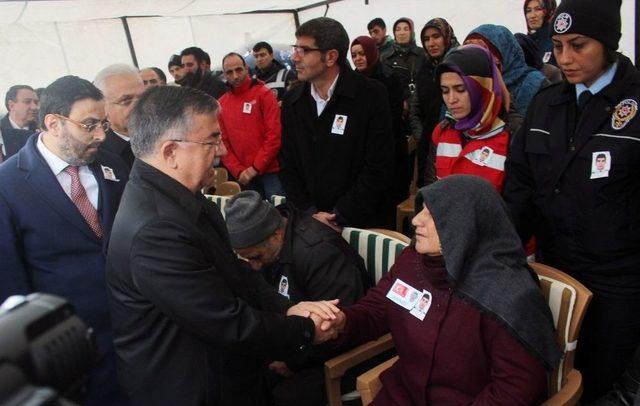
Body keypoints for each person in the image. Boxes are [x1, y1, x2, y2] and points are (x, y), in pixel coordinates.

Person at [105, 85, 340, 405]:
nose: (220, 151)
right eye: (212, 140)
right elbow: (225, 321)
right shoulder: (156, 230)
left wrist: (287, 308)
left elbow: (235, 273)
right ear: (171, 152)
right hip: (191, 387)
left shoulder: (177, 196)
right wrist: (304, 330)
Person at [503, 0, 640, 401]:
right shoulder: (547, 103)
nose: (565, 58)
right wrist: (505, 252)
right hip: (555, 267)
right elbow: (520, 186)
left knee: (598, 381)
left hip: (618, 279)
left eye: (578, 45)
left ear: (608, 43)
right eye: (558, 45)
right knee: (553, 370)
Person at [330, 175, 561, 405]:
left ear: (466, 225)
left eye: (432, 215)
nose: (415, 220)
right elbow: (375, 311)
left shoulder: (511, 295)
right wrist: (341, 321)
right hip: (401, 396)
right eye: (422, 209)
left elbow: (513, 391)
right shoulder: (412, 261)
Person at [0, 75, 128, 405]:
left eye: (102, 123)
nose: (101, 135)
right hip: (72, 351)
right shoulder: (8, 185)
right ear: (53, 124)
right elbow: (10, 282)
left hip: (135, 336)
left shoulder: (113, 166)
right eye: (88, 125)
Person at [224, 190, 367, 406]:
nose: (254, 266)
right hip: (295, 340)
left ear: (275, 235)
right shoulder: (274, 244)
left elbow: (340, 326)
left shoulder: (319, 253)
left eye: (256, 257)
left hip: (339, 355)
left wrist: (291, 361)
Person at [279, 17, 395, 230]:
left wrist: (339, 214)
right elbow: (288, 164)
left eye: (303, 50)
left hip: (361, 222)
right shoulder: (293, 101)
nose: (295, 57)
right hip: (310, 224)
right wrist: (310, 213)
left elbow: (379, 165)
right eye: (295, 48)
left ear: (331, 56)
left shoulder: (370, 95)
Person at [427, 44, 511, 192]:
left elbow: (515, 206)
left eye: (461, 89)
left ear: (483, 88)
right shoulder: (441, 131)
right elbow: (430, 189)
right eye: (445, 91)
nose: (451, 99)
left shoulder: (510, 137)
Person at [351, 35, 409, 208]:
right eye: (354, 55)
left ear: (371, 52)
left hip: (390, 145)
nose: (358, 59)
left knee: (389, 196)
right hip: (363, 146)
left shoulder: (389, 76)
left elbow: (393, 113)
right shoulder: (352, 80)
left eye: (362, 53)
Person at [218, 52, 285, 198]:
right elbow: (223, 144)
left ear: (246, 69)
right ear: (224, 75)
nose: (235, 76)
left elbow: (274, 135)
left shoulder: (264, 94)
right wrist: (238, 170)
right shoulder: (221, 104)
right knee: (254, 219)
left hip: (270, 172)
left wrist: (255, 168)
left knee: (279, 215)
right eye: (229, 72)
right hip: (243, 176)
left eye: (238, 70)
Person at [412, 18, 460, 187]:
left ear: (446, 37)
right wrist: (425, 136)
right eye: (426, 39)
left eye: (436, 36)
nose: (431, 43)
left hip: (456, 143)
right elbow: (415, 110)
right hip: (428, 143)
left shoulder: (460, 64)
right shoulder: (423, 69)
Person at [465, 24, 548, 117]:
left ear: (502, 53)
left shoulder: (535, 84)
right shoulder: (470, 87)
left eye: (481, 52)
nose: (473, 59)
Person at [94, 64, 144, 170]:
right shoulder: (98, 155)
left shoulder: (169, 135)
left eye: (143, 97)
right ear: (103, 108)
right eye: (126, 100)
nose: (138, 105)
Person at [523, 0, 557, 66]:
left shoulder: (556, 41)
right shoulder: (523, 43)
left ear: (549, 12)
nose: (532, 16)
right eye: (528, 10)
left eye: (538, 9)